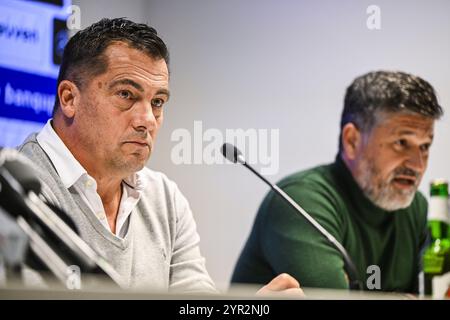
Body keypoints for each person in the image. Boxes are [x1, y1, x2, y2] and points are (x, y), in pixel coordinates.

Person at [17, 18, 302, 295]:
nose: (147, 120)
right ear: (69, 98)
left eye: (157, 102)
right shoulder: (15, 193)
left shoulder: (163, 197)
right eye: (126, 94)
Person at [231, 71, 444, 293]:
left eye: (425, 146)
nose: (418, 165)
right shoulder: (300, 202)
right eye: (402, 142)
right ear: (352, 141)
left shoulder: (414, 207)